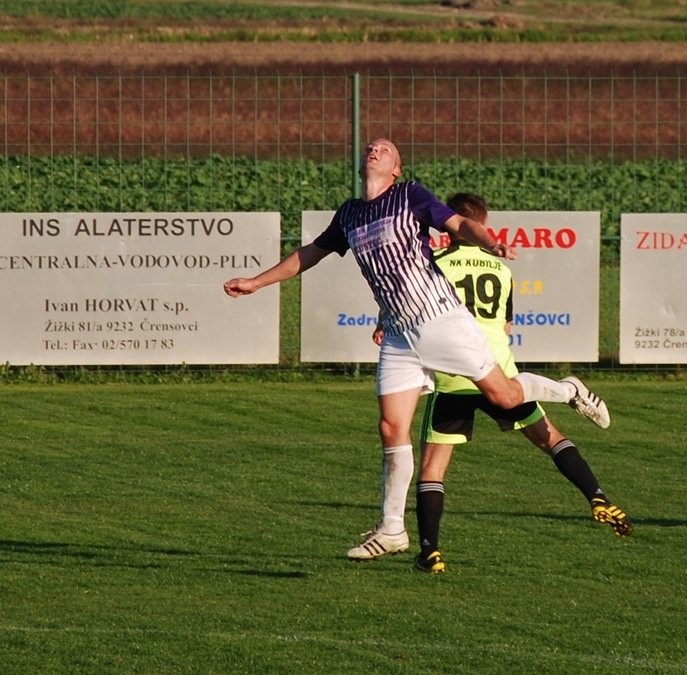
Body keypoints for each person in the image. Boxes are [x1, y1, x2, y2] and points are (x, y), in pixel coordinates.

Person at [223, 138, 610, 561]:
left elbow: (459, 224)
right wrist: (257, 282)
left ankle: (568, 390)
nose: (375, 149)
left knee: (506, 396)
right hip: (398, 335)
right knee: (391, 427)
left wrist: (489, 242)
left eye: (385, 149)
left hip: (441, 320)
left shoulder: (410, 195)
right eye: (371, 147)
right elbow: (310, 254)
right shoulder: (349, 214)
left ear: (396, 169)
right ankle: (392, 529)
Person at [406, 193, 631, 574]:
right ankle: (597, 496)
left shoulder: (434, 264)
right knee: (549, 437)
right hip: (498, 371)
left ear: (447, 226)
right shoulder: (501, 269)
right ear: (481, 227)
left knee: (432, 467)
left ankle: (431, 552)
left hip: (454, 375)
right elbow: (506, 326)